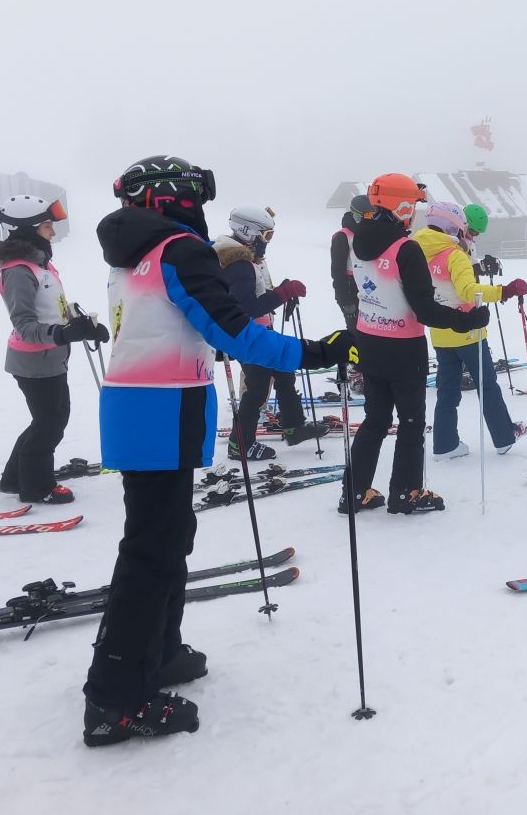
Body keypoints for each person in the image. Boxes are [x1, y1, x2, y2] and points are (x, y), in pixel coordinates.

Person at [83, 155, 355, 747]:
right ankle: (114, 699)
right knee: (151, 553)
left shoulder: (139, 251)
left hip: (148, 406)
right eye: (197, 197)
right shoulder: (179, 249)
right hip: (162, 408)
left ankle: (157, 653)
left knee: (167, 539)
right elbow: (232, 330)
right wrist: (316, 352)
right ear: (176, 197)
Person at [342, 173, 489, 515]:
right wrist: (468, 320)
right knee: (410, 423)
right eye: (412, 206)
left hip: (369, 339)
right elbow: (425, 308)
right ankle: (406, 492)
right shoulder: (405, 249)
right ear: (402, 208)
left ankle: (354, 491)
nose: (413, 214)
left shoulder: (358, 240)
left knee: (375, 420)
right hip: (403, 348)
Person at [0, 195, 106, 504]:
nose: (53, 232)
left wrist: (83, 326)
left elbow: (52, 309)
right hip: (32, 361)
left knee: (49, 420)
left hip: (51, 357)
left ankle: (15, 478)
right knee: (50, 424)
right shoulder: (18, 272)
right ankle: (37, 487)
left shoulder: (40, 264)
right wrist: (62, 333)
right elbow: (24, 324)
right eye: (47, 226)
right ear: (27, 230)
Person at [411, 201, 527, 458]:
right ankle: (504, 437)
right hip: (468, 330)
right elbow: (468, 290)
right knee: (487, 386)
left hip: (440, 331)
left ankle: (445, 444)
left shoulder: (417, 251)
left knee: (447, 391)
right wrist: (504, 291)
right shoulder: (454, 254)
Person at [214, 205, 329, 455]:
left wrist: (278, 291)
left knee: (284, 372)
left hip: (257, 333)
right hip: (249, 336)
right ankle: (240, 444)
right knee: (257, 388)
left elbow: (251, 295)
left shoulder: (239, 259)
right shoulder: (240, 265)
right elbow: (248, 307)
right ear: (249, 232)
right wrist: (283, 294)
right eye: (266, 235)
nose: (267, 242)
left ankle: (294, 426)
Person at [330, 195, 372, 393]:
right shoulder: (343, 236)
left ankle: (369, 368)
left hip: (368, 286)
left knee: (371, 331)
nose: (370, 219)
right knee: (357, 332)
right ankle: (356, 371)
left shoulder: (368, 233)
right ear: (356, 214)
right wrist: (343, 296)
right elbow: (337, 269)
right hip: (349, 288)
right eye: (366, 215)